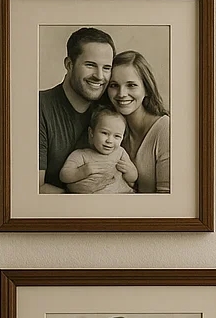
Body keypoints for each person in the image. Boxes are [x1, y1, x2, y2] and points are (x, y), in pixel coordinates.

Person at [39, 27, 116, 193]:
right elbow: (34, 187)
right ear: (69, 64)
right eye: (90, 65)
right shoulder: (39, 107)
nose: (100, 76)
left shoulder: (110, 110)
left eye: (107, 68)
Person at [106, 51, 170, 193]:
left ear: (147, 89)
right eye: (114, 85)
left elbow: (168, 200)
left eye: (131, 85)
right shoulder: (108, 130)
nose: (121, 94)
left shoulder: (165, 129)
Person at [58, 104, 138, 194]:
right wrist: (82, 171)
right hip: (92, 201)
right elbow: (64, 176)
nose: (110, 140)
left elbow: (133, 178)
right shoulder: (80, 155)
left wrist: (130, 171)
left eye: (117, 136)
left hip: (121, 197)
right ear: (91, 133)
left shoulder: (120, 153)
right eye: (104, 133)